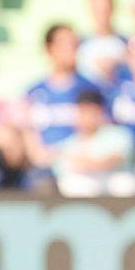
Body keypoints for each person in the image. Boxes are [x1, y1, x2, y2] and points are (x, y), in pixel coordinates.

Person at [23, 22, 102, 173]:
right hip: (43, 166)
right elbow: (28, 131)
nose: (72, 49)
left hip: (80, 164)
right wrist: (38, 153)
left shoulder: (91, 89)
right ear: (50, 48)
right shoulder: (34, 92)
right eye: (65, 44)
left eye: (74, 44)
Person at [53, 89, 133, 193]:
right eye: (83, 112)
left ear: (101, 112)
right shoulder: (69, 142)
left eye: (91, 112)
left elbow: (113, 161)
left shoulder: (118, 134)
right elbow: (62, 167)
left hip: (112, 187)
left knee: (124, 183)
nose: (86, 117)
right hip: (85, 193)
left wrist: (89, 164)